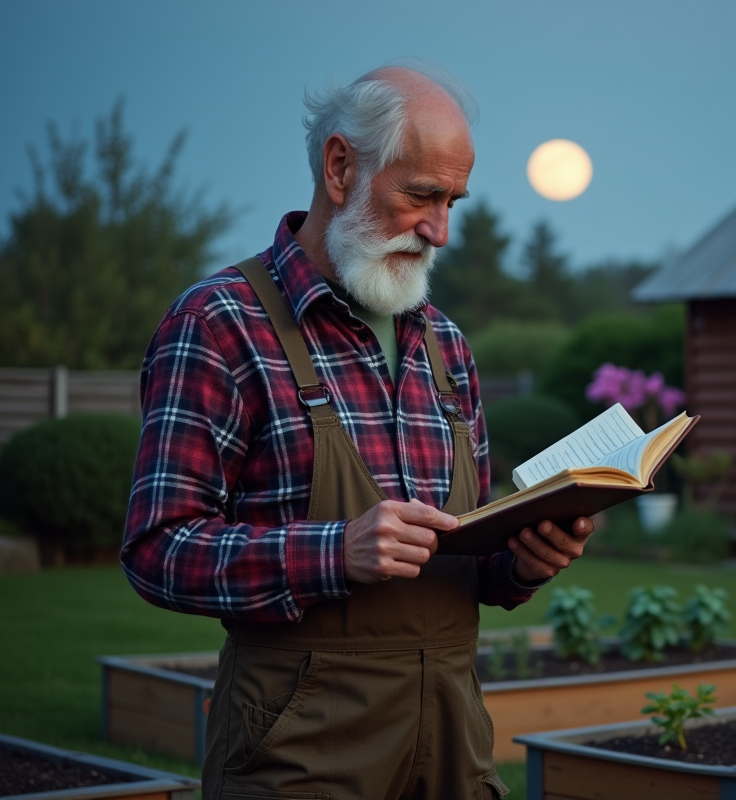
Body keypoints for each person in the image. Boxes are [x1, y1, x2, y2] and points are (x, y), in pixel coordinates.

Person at [120, 62, 593, 800]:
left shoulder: (447, 343)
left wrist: (526, 561)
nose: (440, 229)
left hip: (452, 742)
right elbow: (157, 551)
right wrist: (335, 550)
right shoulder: (217, 324)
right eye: (421, 195)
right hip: (301, 753)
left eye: (454, 202)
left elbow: (466, 563)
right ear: (340, 167)